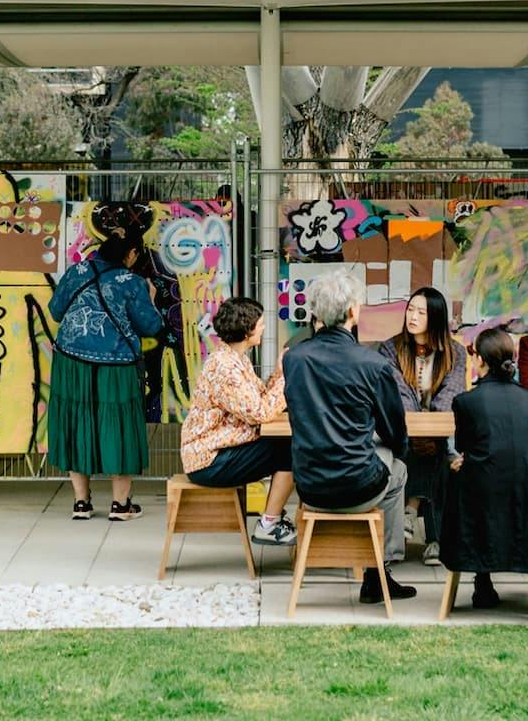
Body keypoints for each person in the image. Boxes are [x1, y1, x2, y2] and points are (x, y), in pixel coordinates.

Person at [282, 269, 416, 604]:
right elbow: (394, 430)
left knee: (386, 462)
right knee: (398, 470)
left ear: (316, 313)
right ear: (354, 312)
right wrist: (399, 451)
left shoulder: (294, 359)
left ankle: (374, 570)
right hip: (359, 485)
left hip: (309, 485)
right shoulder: (372, 364)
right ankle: (379, 571)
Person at [47, 217, 166, 522]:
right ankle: (120, 505)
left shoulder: (77, 272)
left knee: (77, 422)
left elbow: (56, 311)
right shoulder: (132, 282)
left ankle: (81, 503)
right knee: (120, 427)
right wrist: (152, 299)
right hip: (116, 365)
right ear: (132, 253)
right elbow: (151, 326)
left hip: (70, 362)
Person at [441, 327, 528, 609]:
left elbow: (465, 447)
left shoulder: (465, 402)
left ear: (479, 360)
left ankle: (482, 579)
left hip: (484, 492)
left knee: (456, 477)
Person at [181, 297, 298, 546]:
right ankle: (269, 524)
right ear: (247, 331)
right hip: (208, 461)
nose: (264, 328)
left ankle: (272, 518)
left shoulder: (234, 357)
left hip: (215, 451)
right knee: (291, 451)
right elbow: (259, 412)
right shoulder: (225, 368)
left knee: (288, 448)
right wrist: (286, 376)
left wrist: (278, 372)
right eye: (261, 324)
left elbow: (260, 397)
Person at [376, 286, 466, 566]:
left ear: (436, 317)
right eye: (410, 310)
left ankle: (411, 510)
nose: (412, 317)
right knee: (419, 451)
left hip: (440, 431)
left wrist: (431, 430)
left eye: (421, 312)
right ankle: (435, 540)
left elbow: (450, 396)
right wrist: (418, 432)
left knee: (444, 454)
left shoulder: (455, 352)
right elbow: (398, 395)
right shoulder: (390, 348)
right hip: (405, 429)